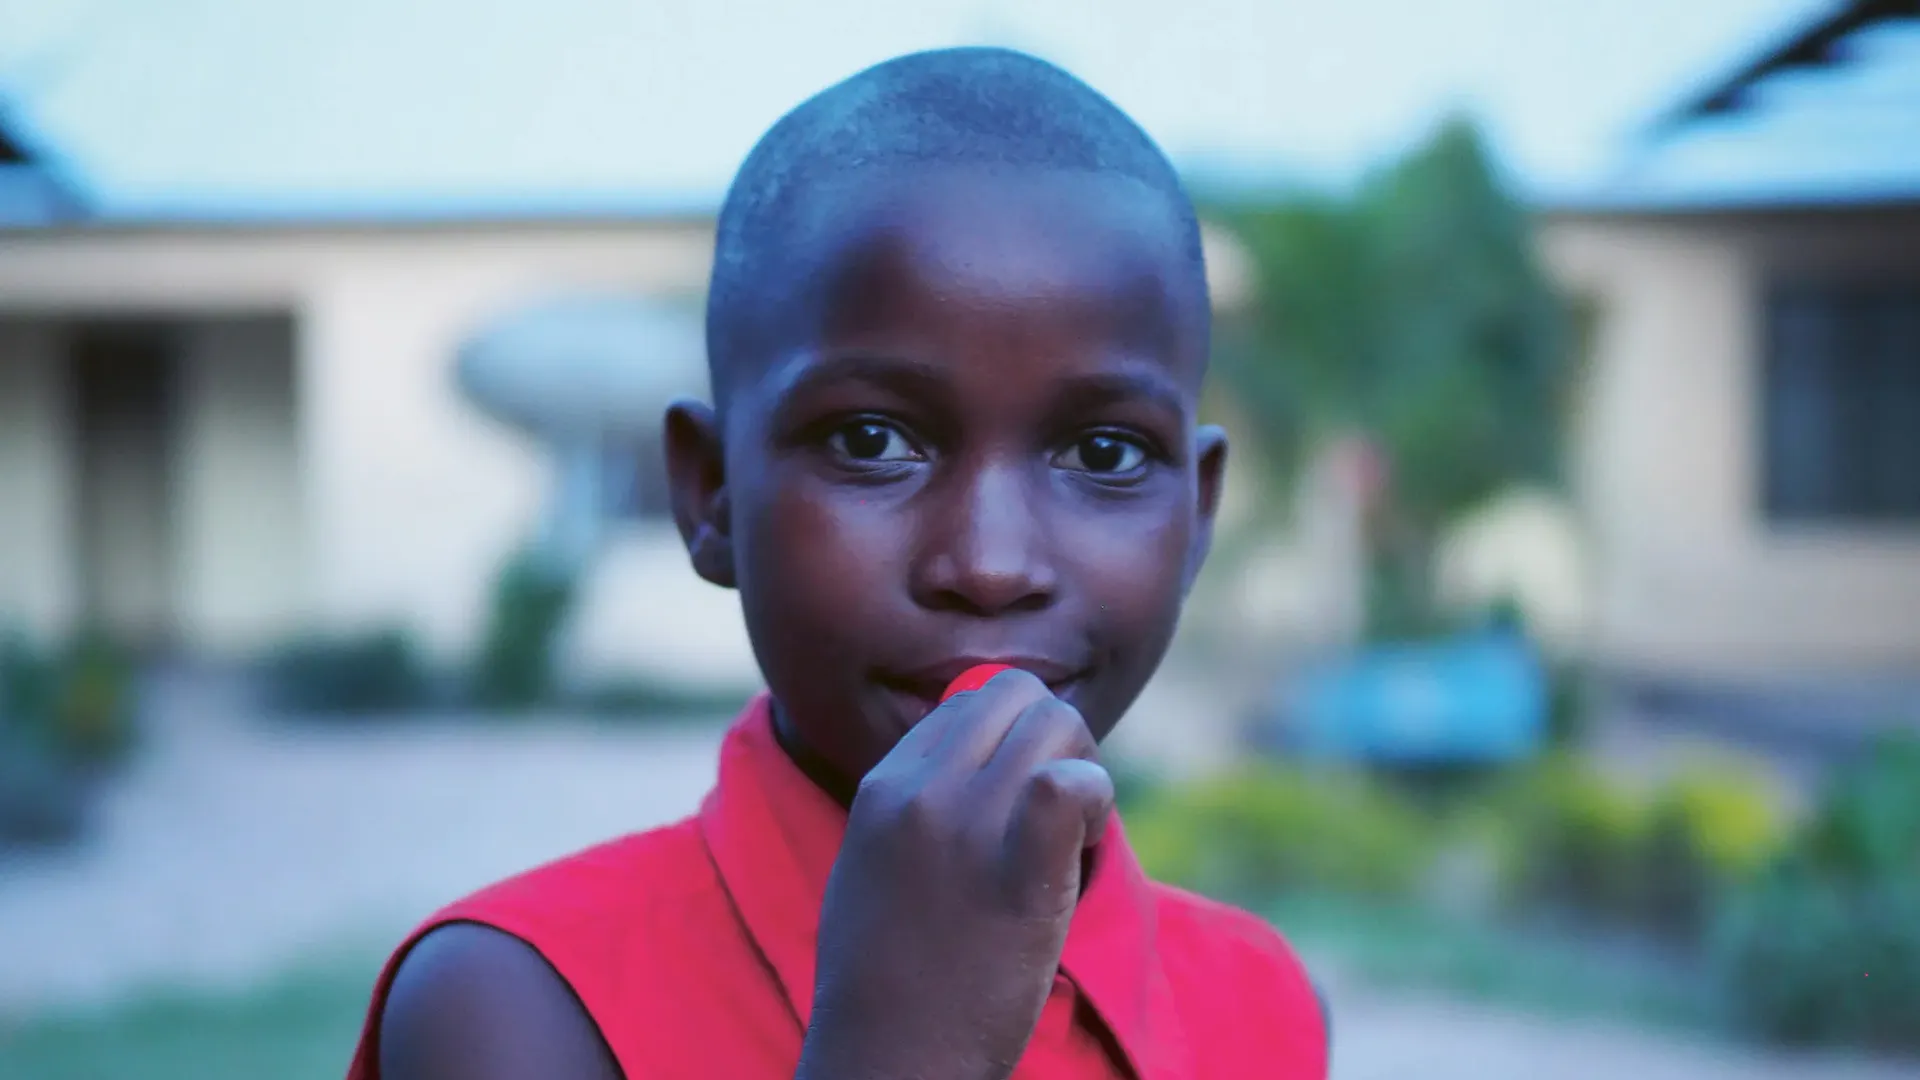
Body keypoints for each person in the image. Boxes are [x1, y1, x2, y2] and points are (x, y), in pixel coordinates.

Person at [346, 45, 1328, 1080]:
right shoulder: (519, 1004)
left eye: (1104, 454)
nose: (991, 566)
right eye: (871, 441)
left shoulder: (1254, 1000)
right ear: (711, 492)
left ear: (1198, 515)